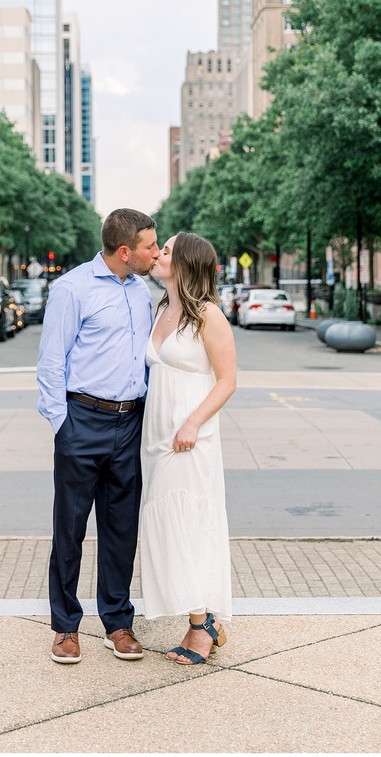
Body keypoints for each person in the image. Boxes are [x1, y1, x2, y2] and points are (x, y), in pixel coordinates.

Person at [37, 208, 160, 664]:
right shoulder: (72, 288)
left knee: (121, 530)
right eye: (150, 245)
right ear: (125, 251)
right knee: (69, 530)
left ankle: (117, 622)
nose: (156, 251)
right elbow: (52, 360)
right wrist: (61, 424)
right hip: (81, 421)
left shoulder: (142, 290)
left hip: (130, 424)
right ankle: (66, 627)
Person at [140, 231, 236, 665]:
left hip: (190, 438)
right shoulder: (161, 308)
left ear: (185, 263)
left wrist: (194, 422)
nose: (158, 254)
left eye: (166, 250)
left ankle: (201, 627)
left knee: (187, 525)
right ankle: (203, 619)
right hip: (156, 437)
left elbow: (228, 380)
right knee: (164, 526)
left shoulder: (209, 315)